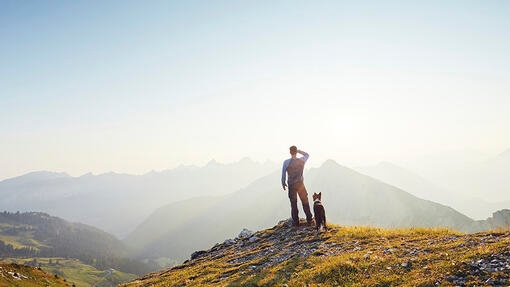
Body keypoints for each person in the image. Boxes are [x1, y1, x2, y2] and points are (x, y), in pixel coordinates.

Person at [281, 146, 313, 227]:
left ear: (290, 152)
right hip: (300, 184)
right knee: (305, 202)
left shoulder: (286, 162)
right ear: (296, 152)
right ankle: (309, 219)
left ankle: (296, 222)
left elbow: (283, 173)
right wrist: (299, 151)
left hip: (291, 185)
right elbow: (307, 155)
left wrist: (283, 183)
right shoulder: (301, 160)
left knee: (293, 203)